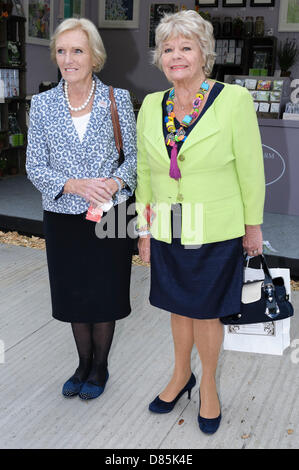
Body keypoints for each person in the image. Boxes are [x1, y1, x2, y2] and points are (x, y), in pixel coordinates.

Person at [136, 10, 265, 435]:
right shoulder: (153, 105)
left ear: (203, 53)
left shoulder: (234, 100)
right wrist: (143, 228)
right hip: (170, 224)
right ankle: (180, 375)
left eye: (185, 47)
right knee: (177, 305)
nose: (176, 56)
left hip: (217, 225)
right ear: (160, 57)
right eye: (168, 49)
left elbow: (250, 168)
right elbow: (144, 172)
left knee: (207, 311)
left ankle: (207, 383)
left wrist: (253, 225)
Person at [26, 18, 137, 400]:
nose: (68, 59)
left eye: (78, 50)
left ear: (94, 56)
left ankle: (100, 367)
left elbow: (133, 161)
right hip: (62, 215)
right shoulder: (41, 105)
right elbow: (34, 165)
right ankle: (82, 363)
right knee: (74, 293)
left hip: (112, 212)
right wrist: (72, 185)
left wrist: (116, 182)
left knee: (105, 292)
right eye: (61, 50)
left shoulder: (117, 99)